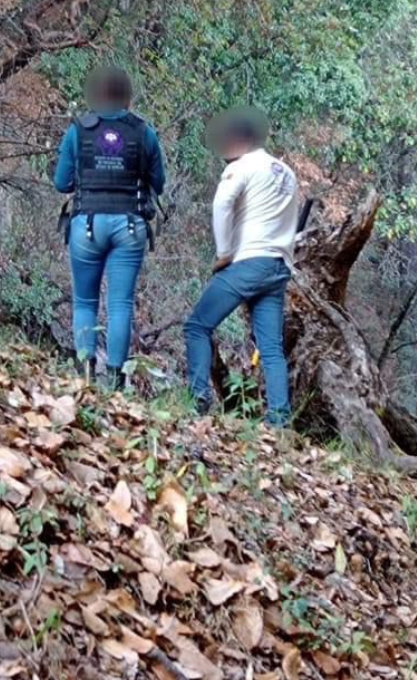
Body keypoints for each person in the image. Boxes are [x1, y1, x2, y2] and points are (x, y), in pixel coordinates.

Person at [184, 108, 303, 426]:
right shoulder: (286, 173)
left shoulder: (244, 166)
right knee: (271, 348)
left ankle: (197, 402)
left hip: (248, 262)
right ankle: (279, 420)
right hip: (278, 266)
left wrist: (224, 253)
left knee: (197, 326)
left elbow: (221, 204)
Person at [53, 66, 166, 388]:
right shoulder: (144, 132)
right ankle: (116, 381)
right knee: (120, 304)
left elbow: (62, 183)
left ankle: (86, 375)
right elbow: (159, 182)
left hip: (87, 224)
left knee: (85, 301)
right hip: (129, 226)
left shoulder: (78, 130)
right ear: (127, 98)